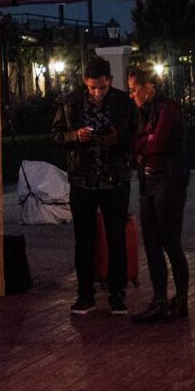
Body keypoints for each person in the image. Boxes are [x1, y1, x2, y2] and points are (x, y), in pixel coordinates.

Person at [53, 57, 136, 315]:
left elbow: (136, 135)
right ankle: (85, 294)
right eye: (92, 88)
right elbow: (56, 135)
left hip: (115, 179)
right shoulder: (71, 102)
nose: (98, 93)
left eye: (102, 87)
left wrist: (118, 140)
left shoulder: (123, 103)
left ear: (110, 80)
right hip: (83, 179)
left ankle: (117, 293)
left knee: (116, 238)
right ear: (85, 83)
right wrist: (75, 136)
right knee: (84, 240)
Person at [127, 65, 189, 323]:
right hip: (148, 181)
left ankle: (181, 300)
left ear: (148, 86)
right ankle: (160, 300)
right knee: (152, 243)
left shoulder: (168, 109)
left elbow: (156, 143)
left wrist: (145, 143)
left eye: (134, 90)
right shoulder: (145, 111)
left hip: (168, 181)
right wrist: (145, 142)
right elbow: (134, 142)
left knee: (170, 242)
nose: (132, 95)